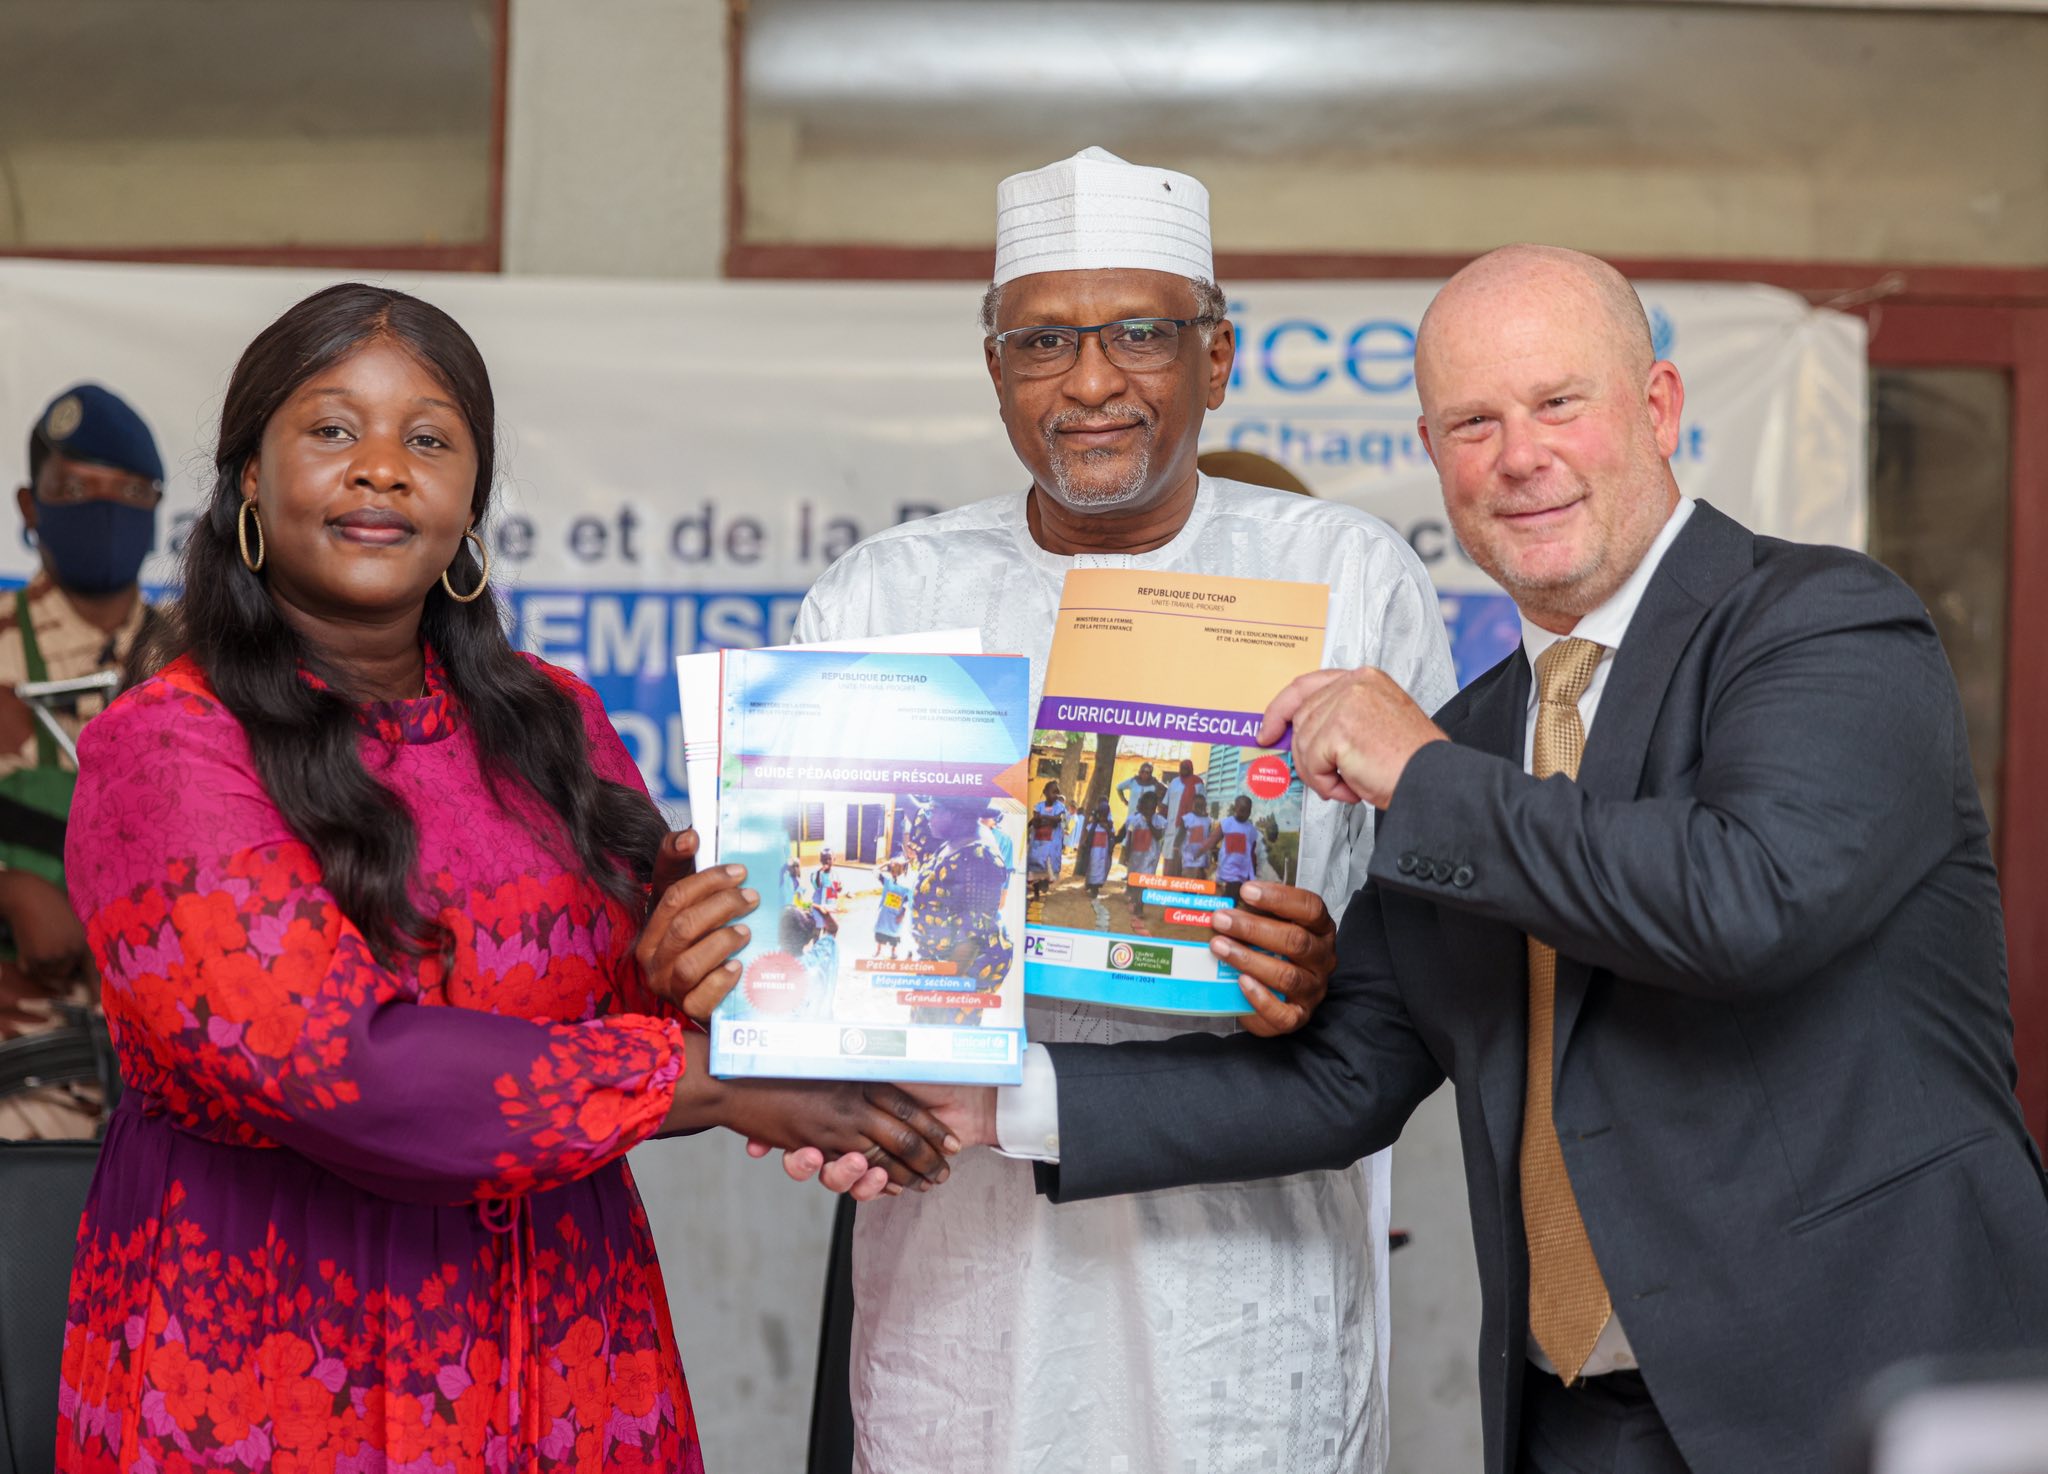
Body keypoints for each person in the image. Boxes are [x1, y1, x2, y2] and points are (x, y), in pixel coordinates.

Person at [924, 245, 2048, 1474]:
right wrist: (982, 1101)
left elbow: (1741, 901)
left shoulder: (1823, 624)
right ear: (1430, 451)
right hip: (1577, 1417)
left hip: (1863, 1398)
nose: (1517, 457)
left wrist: (1417, 774)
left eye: (1557, 403)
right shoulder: (1469, 737)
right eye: (1472, 423)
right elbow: (1344, 1072)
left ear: (1657, 407)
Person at [54, 283, 957, 1474]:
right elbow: (341, 1070)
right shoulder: (169, 746)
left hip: (564, 1336)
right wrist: (721, 1080)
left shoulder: (552, 722)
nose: (382, 469)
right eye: (333, 429)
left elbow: (619, 1012)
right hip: (276, 1352)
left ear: (471, 500)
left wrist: (704, 954)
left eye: (429, 439)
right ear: (250, 483)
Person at [784, 147, 1454, 1474]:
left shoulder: (1344, 575)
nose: (1091, 381)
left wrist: (1325, 965)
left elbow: (1432, 960)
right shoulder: (885, 596)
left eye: (1140, 333)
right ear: (995, 370)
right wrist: (784, 1012)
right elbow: (819, 955)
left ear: (1216, 355)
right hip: (958, 1289)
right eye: (1043, 340)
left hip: (1241, 1298)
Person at [0, 384, 165, 1140]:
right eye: (75, 490)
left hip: (176, 1062)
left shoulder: (206, 664)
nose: (103, 512)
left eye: (128, 494)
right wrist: (9, 890)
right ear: (29, 507)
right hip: (22, 1062)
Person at [1114, 788, 1169, 919]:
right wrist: (1127, 854)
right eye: (1146, 808)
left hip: (1150, 859)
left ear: (1155, 808)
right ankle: (1135, 900)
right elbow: (1130, 837)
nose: (1148, 811)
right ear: (1141, 806)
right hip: (1135, 858)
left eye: (1151, 808)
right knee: (1135, 882)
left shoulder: (1160, 821)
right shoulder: (1134, 820)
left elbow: (1158, 836)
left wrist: (1149, 823)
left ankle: (1139, 907)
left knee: (1143, 884)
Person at [1212, 792, 1269, 900]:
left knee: (1230, 898)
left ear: (1250, 812)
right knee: (1229, 899)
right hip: (1232, 874)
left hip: (1240, 875)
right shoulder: (1229, 825)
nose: (1244, 814)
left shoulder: (1251, 831)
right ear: (1235, 809)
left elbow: (1251, 856)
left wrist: (1251, 876)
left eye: (1247, 811)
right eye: (1242, 810)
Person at [1024, 780, 1071, 900]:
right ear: (1045, 792)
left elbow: (1058, 820)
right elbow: (1036, 822)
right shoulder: (1039, 806)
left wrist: (1043, 817)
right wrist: (1045, 820)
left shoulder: (1060, 807)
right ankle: (1036, 892)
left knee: (1047, 865)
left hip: (1051, 844)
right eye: (1053, 792)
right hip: (1038, 842)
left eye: (1057, 792)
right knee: (1035, 865)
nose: (1055, 795)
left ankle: (1044, 883)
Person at [872, 854, 913, 960]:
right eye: (893, 869)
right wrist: (886, 863)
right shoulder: (887, 881)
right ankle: (878, 950)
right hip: (885, 914)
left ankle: (893, 952)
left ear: (902, 870)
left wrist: (902, 915)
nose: (894, 872)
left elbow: (907, 902)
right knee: (880, 932)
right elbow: (875, 871)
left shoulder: (905, 885)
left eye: (897, 869)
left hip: (896, 914)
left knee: (895, 934)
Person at [1074, 798, 1117, 895]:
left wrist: (1107, 829)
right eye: (1101, 815)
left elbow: (1112, 836)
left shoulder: (1109, 827)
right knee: (1092, 867)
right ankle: (1090, 884)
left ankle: (1096, 887)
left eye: (1104, 816)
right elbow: (1087, 835)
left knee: (1102, 869)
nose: (1102, 818)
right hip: (1094, 853)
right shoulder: (1093, 826)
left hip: (1104, 853)